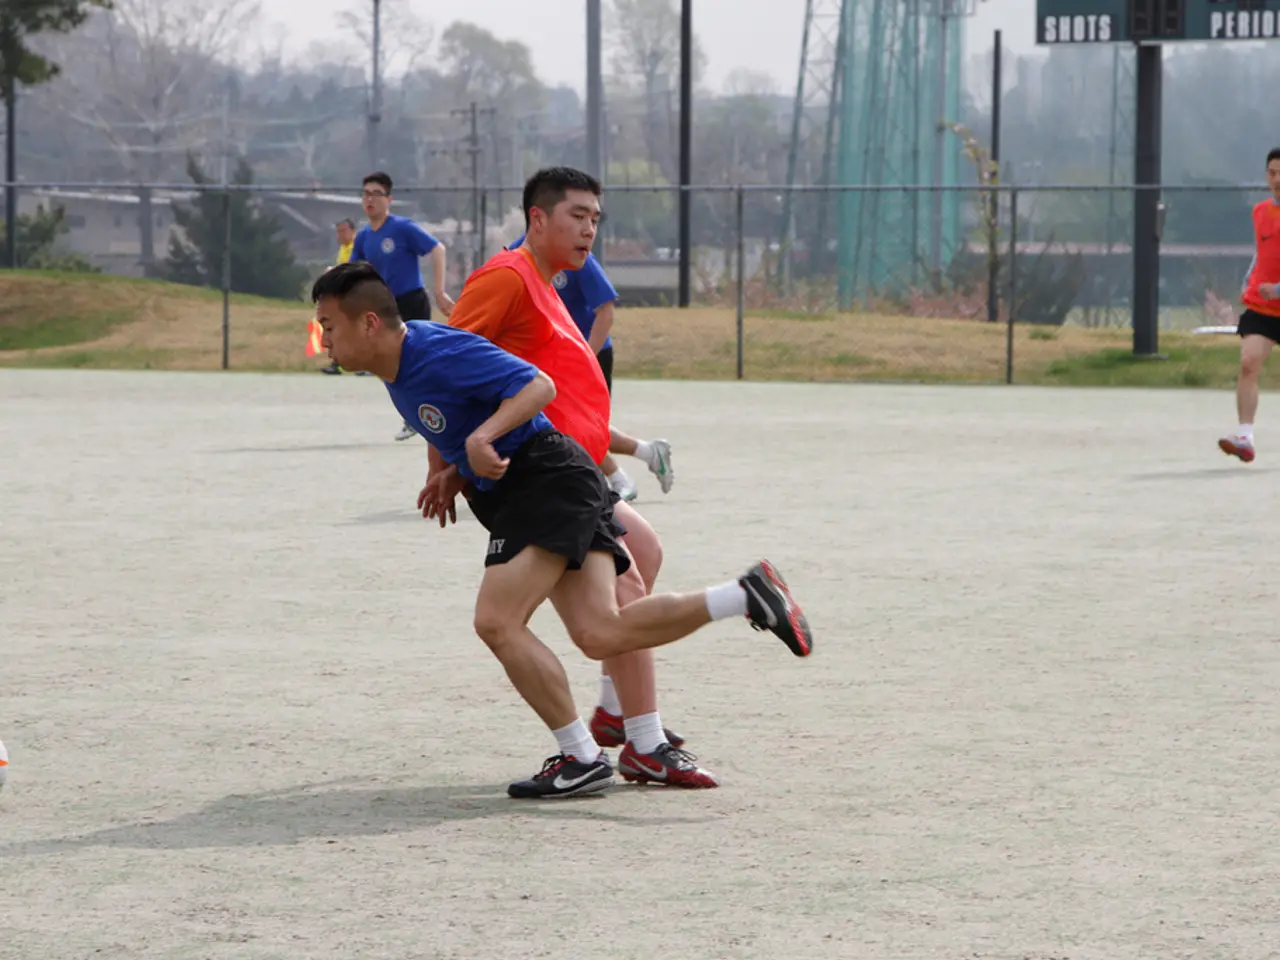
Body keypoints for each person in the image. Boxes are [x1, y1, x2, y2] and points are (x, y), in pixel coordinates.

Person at [311, 264, 812, 801]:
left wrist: (481, 440)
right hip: (544, 483)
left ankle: (581, 755)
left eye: (328, 326)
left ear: (368, 323)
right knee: (600, 631)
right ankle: (744, 596)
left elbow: (537, 385)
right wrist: (453, 471)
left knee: (497, 621)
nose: (324, 341)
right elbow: (465, 418)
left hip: (542, 481)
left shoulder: (433, 351)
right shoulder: (397, 370)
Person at [438, 169, 705, 788]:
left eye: (595, 219)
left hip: (573, 475)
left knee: (643, 552)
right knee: (622, 594)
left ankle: (619, 719)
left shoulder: (550, 282)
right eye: (577, 216)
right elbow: (444, 368)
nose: (589, 229)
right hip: (542, 481)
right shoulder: (506, 276)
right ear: (537, 218)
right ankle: (638, 740)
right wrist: (448, 461)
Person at [508, 233, 673, 501]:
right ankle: (647, 453)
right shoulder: (516, 254)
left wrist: (582, 358)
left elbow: (605, 312)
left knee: (577, 425)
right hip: (551, 358)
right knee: (562, 422)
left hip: (590, 354)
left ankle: (620, 478)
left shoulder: (575, 254)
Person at [350, 171, 454, 440]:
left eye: (376, 194)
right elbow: (354, 270)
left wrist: (439, 290)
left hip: (412, 302)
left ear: (389, 199)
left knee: (418, 361)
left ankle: (430, 415)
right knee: (391, 364)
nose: (370, 199)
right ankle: (415, 415)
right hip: (385, 308)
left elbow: (437, 249)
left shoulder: (402, 228)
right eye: (366, 194)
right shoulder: (363, 237)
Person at [1220, 147, 1280, 463]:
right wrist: (1251, 278)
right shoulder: (1259, 212)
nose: (1277, 179)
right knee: (1248, 363)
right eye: (1272, 173)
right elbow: (1263, 251)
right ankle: (1245, 436)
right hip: (1264, 308)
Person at [321, 219, 359, 375]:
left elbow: (353, 268)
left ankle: (363, 365)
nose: (340, 235)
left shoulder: (357, 247)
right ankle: (336, 362)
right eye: (338, 231)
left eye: (343, 231)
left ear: (352, 231)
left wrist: (334, 270)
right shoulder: (343, 248)